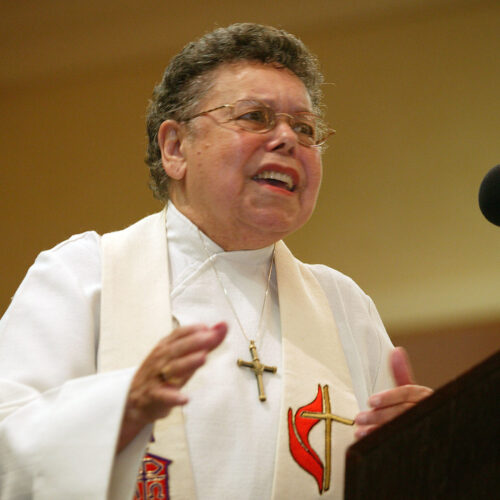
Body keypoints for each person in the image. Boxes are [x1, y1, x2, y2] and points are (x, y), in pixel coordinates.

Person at [0, 23, 432, 500]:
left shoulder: (343, 305)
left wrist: (417, 447)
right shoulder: (83, 276)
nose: (288, 138)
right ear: (175, 148)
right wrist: (118, 412)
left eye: (305, 128)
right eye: (255, 116)